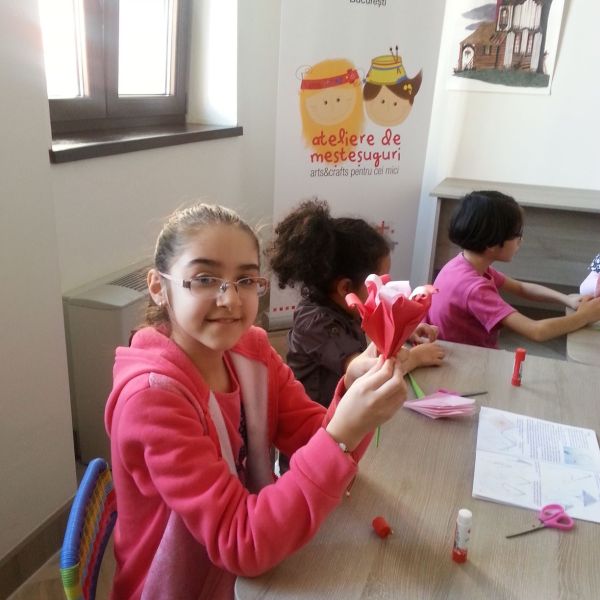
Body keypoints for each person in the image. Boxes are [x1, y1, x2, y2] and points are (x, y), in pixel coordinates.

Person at [104, 203, 406, 600]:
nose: (230, 299)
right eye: (205, 278)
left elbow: (316, 441)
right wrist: (342, 433)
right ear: (159, 287)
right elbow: (241, 543)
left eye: (245, 280)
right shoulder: (152, 399)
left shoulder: (252, 351)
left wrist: (352, 389)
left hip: (253, 571)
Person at [268, 199, 444, 408]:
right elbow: (367, 374)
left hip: (347, 406)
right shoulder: (316, 323)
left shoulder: (343, 304)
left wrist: (402, 331)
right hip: (322, 416)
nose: (384, 289)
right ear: (346, 288)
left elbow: (374, 328)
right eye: (379, 283)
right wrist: (416, 358)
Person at [426, 190, 600, 348]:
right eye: (517, 235)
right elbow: (536, 331)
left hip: (447, 348)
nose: (521, 240)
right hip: (461, 359)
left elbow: (521, 288)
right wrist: (583, 317)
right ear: (492, 244)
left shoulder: (462, 264)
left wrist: (566, 299)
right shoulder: (474, 289)